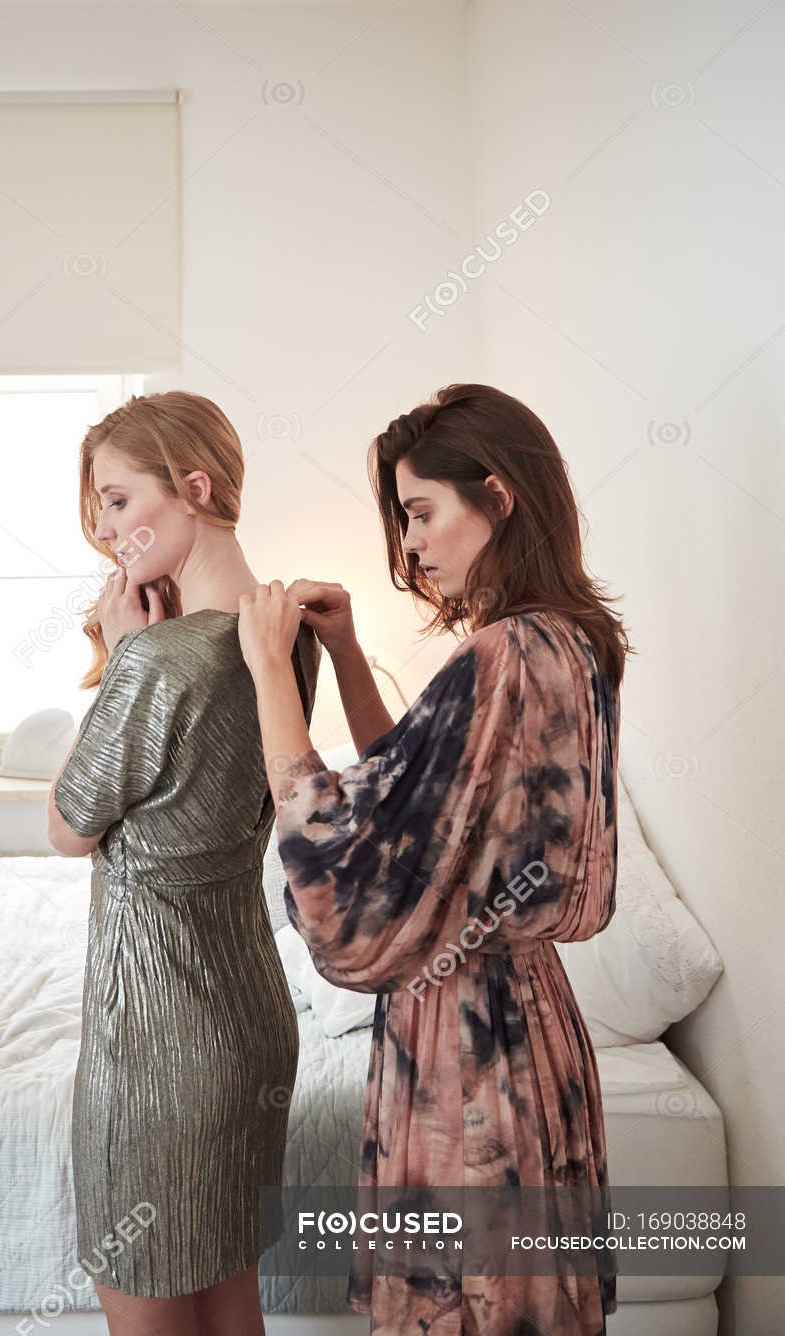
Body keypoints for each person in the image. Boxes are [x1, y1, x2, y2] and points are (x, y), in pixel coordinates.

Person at [237, 383, 628, 1335]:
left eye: (421, 513)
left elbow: (350, 871)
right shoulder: (573, 645)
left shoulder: (501, 655)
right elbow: (421, 808)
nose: (410, 545)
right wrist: (348, 657)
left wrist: (266, 677)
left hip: (470, 1052)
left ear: (496, 498)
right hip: (534, 1031)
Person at [48, 390, 322, 1336]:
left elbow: (68, 824)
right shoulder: (288, 635)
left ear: (194, 488)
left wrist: (124, 654)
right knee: (229, 1303)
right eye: (99, 510)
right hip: (249, 1021)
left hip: (156, 1038)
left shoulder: (159, 659)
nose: (106, 529)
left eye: (119, 500)